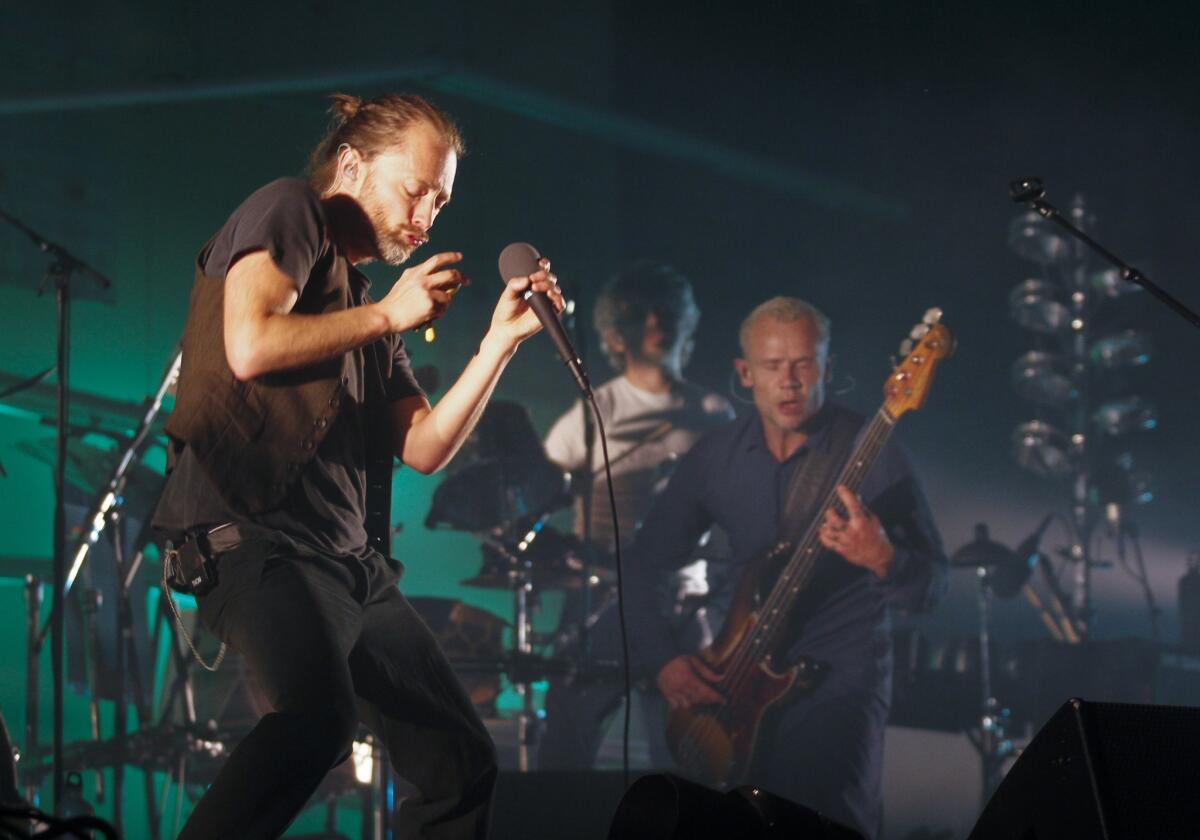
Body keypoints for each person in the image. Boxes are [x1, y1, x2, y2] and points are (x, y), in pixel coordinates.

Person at [153, 92, 563, 839]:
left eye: (440, 201)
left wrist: (498, 344)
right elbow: (248, 343)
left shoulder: (371, 311)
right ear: (351, 164)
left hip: (346, 563)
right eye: (416, 189)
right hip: (249, 541)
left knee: (461, 760)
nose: (427, 215)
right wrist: (389, 317)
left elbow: (426, 446)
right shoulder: (289, 210)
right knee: (315, 724)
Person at [624, 296, 948, 838]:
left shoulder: (874, 449)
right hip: (737, 675)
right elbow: (641, 565)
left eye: (804, 364)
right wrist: (662, 661)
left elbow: (934, 587)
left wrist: (883, 557)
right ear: (745, 374)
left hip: (839, 677)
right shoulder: (716, 455)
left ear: (828, 369)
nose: (790, 381)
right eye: (773, 366)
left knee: (822, 824)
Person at [538, 261, 732, 770]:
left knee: (695, 750)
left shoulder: (714, 413)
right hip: (601, 598)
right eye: (640, 315)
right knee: (566, 742)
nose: (654, 324)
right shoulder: (590, 413)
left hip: (684, 602)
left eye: (665, 312)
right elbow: (534, 498)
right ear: (614, 333)